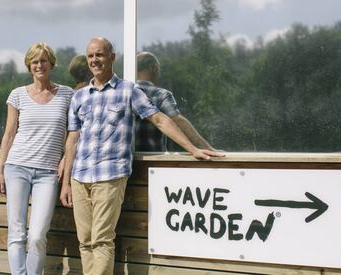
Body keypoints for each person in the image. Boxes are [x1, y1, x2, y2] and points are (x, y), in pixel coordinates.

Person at [59, 37, 224, 275]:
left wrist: (193, 149)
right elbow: (73, 139)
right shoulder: (80, 97)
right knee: (85, 241)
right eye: (91, 56)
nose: (95, 60)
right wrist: (66, 182)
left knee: (101, 240)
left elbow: (159, 119)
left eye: (100, 55)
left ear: (112, 58)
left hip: (110, 175)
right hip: (79, 177)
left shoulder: (129, 90)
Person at [0, 42, 74, 275]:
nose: (39, 65)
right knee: (17, 233)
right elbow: (9, 135)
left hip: (48, 173)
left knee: (38, 234)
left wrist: (64, 159)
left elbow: (72, 133)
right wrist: (0, 171)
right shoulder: (17, 95)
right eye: (35, 61)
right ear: (29, 65)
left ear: (52, 63)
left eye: (43, 60)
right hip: (16, 167)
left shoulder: (67, 94)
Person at [135, 51, 215, 151]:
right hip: (152, 162)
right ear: (154, 68)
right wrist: (208, 148)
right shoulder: (161, 95)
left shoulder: (123, 93)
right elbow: (178, 121)